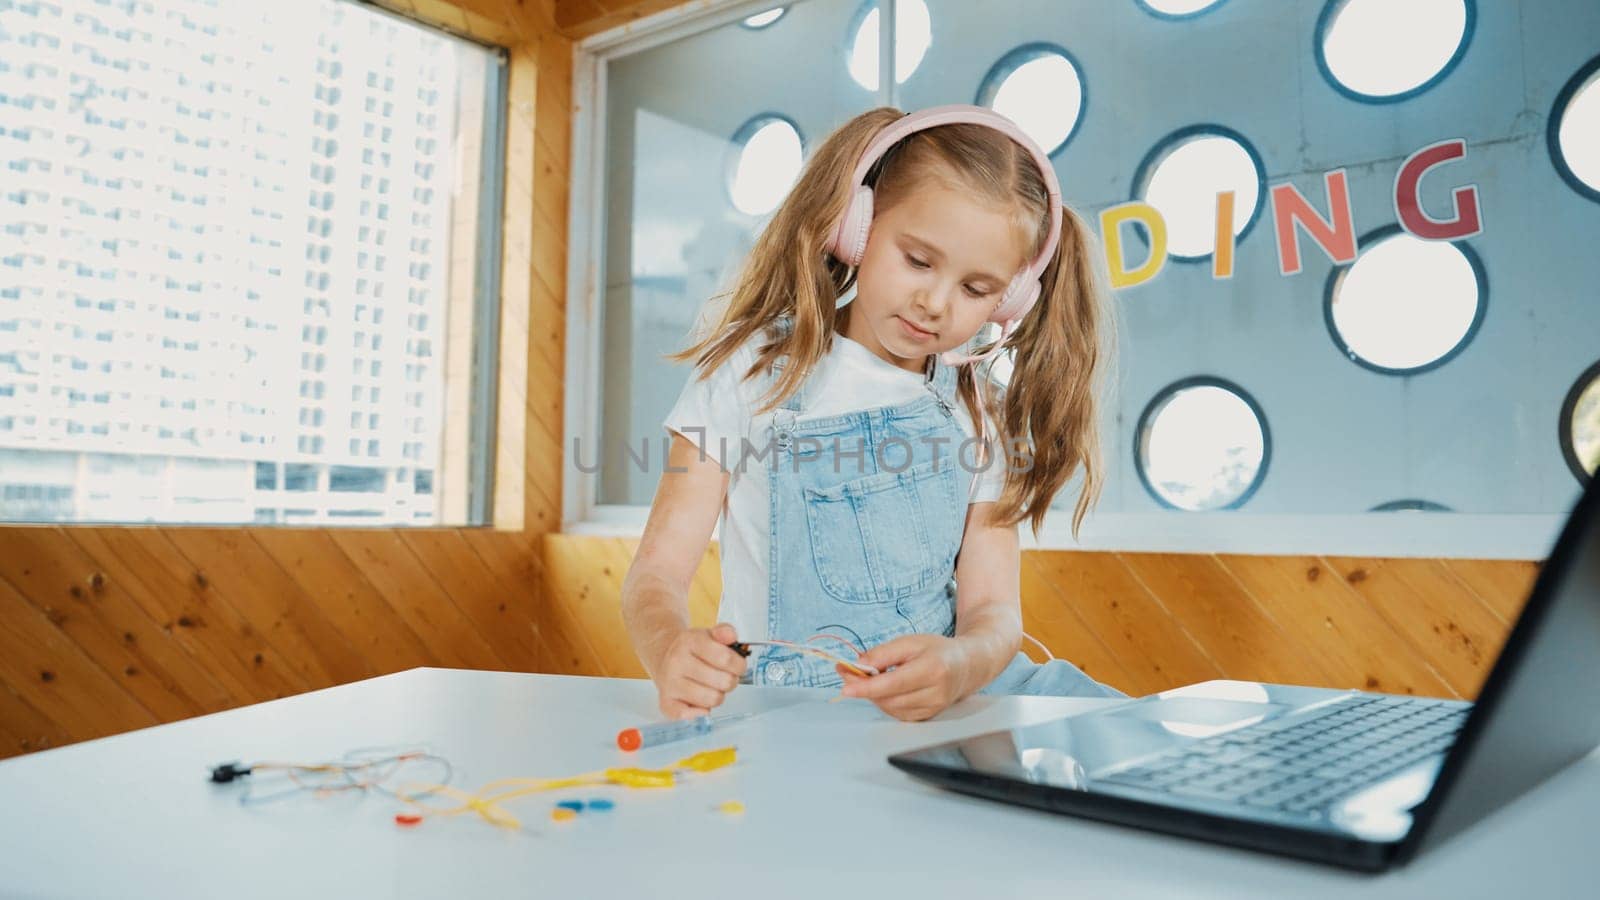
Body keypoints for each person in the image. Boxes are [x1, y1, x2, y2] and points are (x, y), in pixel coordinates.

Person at [621, 104, 1126, 723]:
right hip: (800, 711)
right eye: (917, 260)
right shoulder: (751, 372)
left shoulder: (979, 410)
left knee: (1164, 743)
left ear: (1010, 298)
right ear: (857, 228)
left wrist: (962, 663)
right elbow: (655, 575)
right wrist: (670, 647)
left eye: (975, 289)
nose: (935, 302)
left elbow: (993, 613)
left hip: (955, 701)